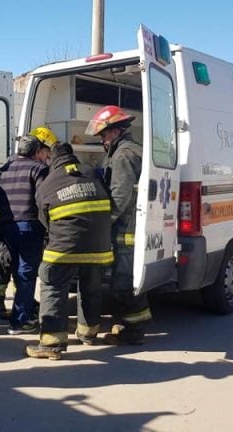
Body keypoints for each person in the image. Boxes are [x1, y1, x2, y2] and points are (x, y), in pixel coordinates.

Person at [26, 143, 113, 359]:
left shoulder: (49, 182)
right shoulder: (92, 173)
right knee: (91, 287)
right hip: (98, 247)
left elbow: (44, 219)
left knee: (53, 286)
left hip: (64, 247)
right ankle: (88, 334)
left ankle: (52, 344)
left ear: (52, 159)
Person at [86, 105, 151, 345]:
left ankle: (134, 330)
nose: (102, 140)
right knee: (125, 279)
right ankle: (135, 323)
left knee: (122, 282)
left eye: (103, 135)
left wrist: (104, 222)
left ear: (115, 131)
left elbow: (119, 196)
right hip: (131, 225)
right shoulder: (127, 150)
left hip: (126, 229)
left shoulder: (123, 155)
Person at [0, 134, 49, 334]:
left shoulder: (5, 169)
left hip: (8, 227)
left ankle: (25, 310)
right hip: (29, 226)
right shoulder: (38, 168)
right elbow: (43, 199)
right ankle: (20, 321)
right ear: (36, 152)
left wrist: (8, 213)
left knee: (17, 270)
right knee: (26, 273)